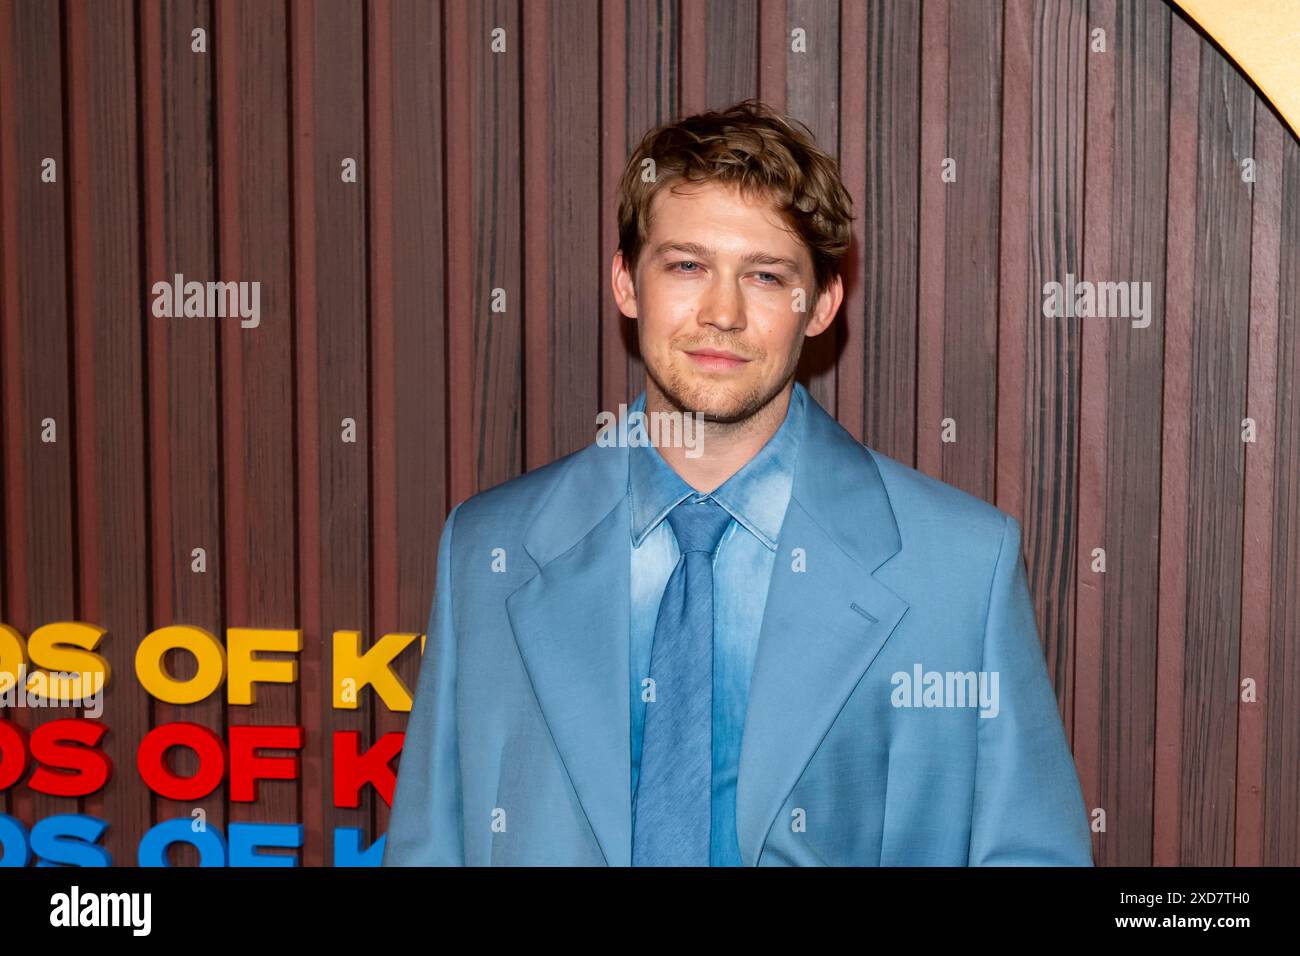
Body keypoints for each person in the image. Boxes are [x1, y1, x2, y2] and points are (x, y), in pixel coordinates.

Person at [382, 99, 1093, 867]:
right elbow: (431, 845)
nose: (721, 313)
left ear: (820, 304)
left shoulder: (959, 564)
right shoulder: (487, 550)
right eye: (687, 266)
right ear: (627, 283)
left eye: (764, 275)